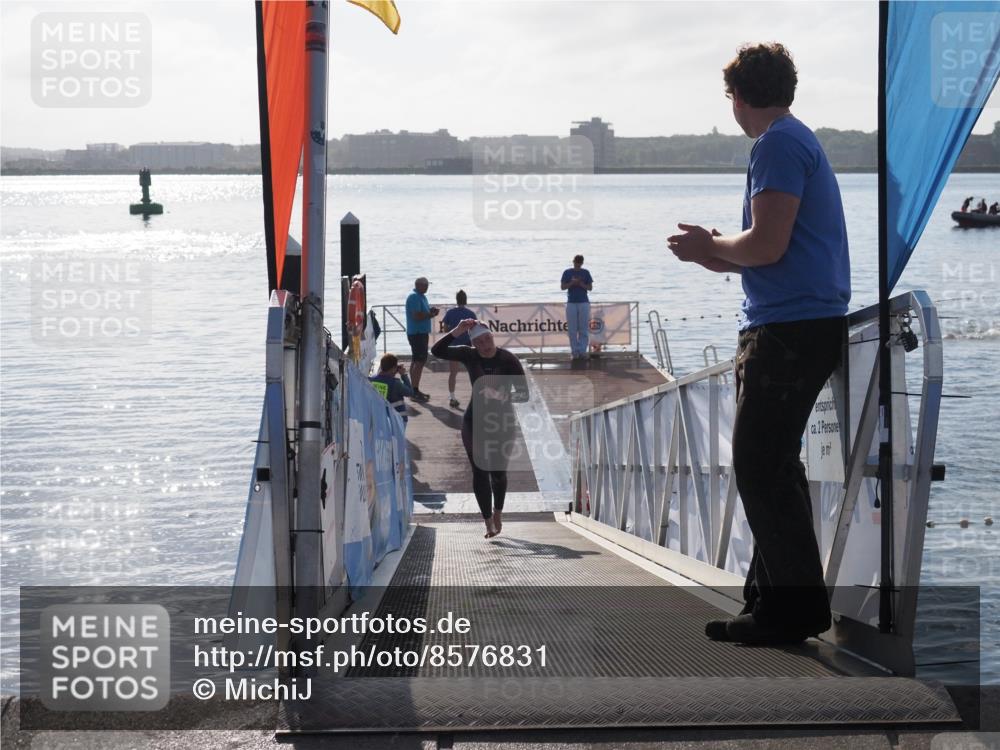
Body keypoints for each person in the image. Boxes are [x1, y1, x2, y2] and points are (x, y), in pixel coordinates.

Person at [667, 42, 850, 646]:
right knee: (772, 465)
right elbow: (769, 248)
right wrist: (715, 250)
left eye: (731, 99)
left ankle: (792, 612)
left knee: (760, 463)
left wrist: (713, 247)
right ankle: (771, 603)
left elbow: (767, 247)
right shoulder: (795, 139)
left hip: (790, 330)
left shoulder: (775, 143)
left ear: (738, 96)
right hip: (795, 322)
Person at [431, 319, 529, 539]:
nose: (486, 344)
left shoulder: (508, 359)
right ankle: (487, 521)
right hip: (474, 421)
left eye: (488, 338)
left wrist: (503, 395)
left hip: (502, 422)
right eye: (480, 341)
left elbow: (524, 394)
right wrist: (458, 330)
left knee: (498, 473)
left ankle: (497, 513)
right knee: (479, 471)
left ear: (493, 337)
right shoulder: (469, 354)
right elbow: (437, 350)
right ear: (474, 344)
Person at [440, 290, 477, 409]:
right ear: (466, 300)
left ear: (456, 299)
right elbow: (475, 330)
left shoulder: (450, 312)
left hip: (453, 344)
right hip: (467, 345)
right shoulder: (471, 313)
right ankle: (477, 396)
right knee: (473, 371)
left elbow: (445, 329)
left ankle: (452, 397)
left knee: (453, 373)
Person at [405, 277, 439, 401]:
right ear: (419, 285)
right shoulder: (414, 297)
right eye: (425, 285)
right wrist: (431, 314)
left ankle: (413, 389)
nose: (427, 287)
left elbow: (421, 313)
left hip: (420, 332)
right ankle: (414, 390)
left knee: (416, 360)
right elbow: (416, 316)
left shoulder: (421, 296)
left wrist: (430, 312)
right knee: (419, 361)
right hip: (417, 333)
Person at [560, 255, 593, 360]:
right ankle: (574, 352)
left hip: (583, 302)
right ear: (573, 261)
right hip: (571, 302)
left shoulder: (586, 272)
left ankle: (582, 351)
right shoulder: (567, 272)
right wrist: (572, 283)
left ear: (582, 263)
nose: (578, 264)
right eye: (576, 262)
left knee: (583, 328)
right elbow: (562, 287)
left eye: (580, 262)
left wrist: (581, 284)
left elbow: (590, 288)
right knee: (572, 329)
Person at [369, 353, 413, 425]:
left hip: (379, 419)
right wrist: (403, 375)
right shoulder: (396, 383)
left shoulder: (371, 381)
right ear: (393, 369)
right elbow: (410, 393)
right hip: (397, 420)